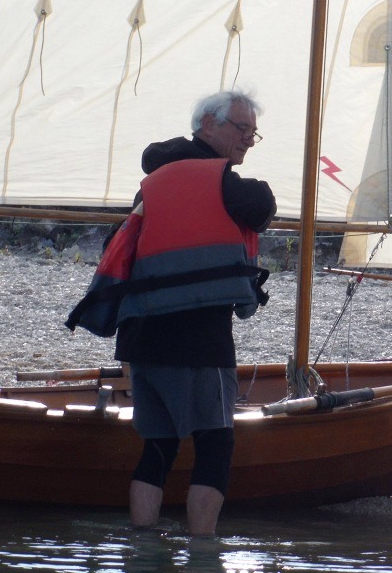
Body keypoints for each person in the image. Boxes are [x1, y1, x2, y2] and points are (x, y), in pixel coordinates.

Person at [68, 90, 276, 536]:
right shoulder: (219, 180)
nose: (248, 140)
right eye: (241, 129)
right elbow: (261, 209)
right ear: (207, 126)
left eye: (252, 132)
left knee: (159, 446)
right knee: (215, 443)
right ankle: (203, 552)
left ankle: (142, 546)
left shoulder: (153, 181)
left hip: (142, 336)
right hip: (197, 338)